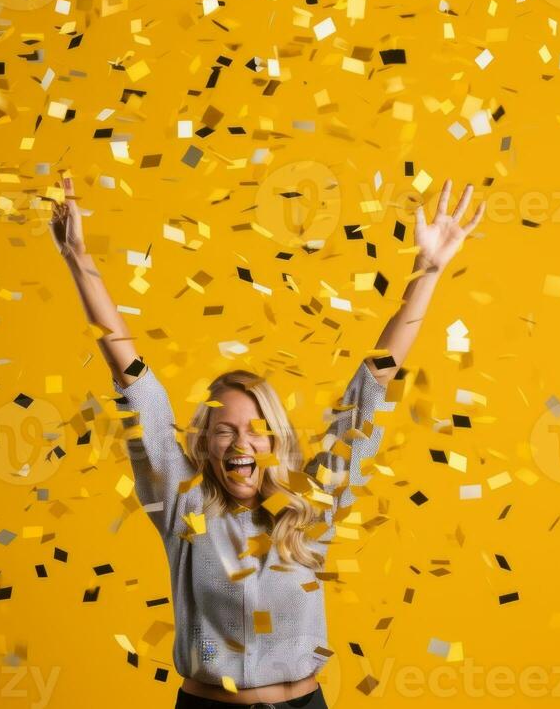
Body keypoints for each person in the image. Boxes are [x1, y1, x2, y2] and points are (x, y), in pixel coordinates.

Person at [49, 175, 484, 709]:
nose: (242, 441)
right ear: (205, 443)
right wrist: (78, 259)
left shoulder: (313, 503)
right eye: (226, 429)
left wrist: (429, 271)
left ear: (276, 441)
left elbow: (372, 386)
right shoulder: (184, 508)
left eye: (257, 429)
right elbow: (135, 382)